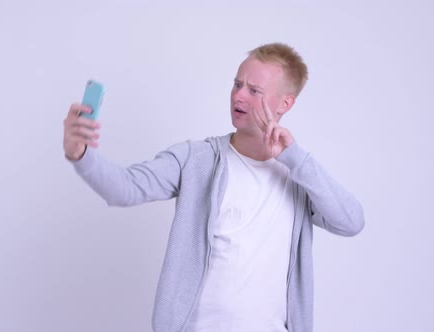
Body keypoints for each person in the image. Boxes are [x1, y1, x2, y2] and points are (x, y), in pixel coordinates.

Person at [63, 42, 364, 332]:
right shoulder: (197, 159)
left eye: (254, 90)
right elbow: (124, 188)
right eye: (237, 84)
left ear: (285, 103)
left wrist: (296, 159)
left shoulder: (298, 177)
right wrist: (81, 155)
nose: (239, 96)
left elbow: (351, 221)